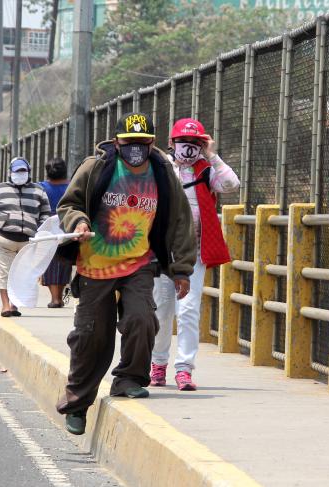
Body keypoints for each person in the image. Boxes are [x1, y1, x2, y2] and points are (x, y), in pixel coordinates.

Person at [55, 112, 197, 436]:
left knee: (142, 319)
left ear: (152, 144)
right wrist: (78, 222)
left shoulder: (161, 172)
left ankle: (130, 378)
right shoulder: (97, 167)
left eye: (142, 144)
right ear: (117, 143)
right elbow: (69, 204)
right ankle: (77, 404)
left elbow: (180, 220)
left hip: (138, 261)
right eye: (129, 143)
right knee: (91, 336)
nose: (136, 149)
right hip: (95, 263)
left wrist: (181, 269)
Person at [150, 118, 239, 391]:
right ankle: (158, 363)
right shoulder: (162, 168)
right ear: (172, 143)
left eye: (195, 143)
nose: (188, 148)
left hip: (195, 252)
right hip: (163, 251)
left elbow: (231, 184)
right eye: (183, 142)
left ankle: (184, 369)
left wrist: (211, 154)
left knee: (188, 311)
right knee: (162, 311)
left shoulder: (205, 169)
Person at [0, 157, 51, 317]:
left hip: (29, 241)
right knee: (5, 273)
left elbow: (45, 213)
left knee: (22, 274)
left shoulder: (38, 190)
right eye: (17, 171)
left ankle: (14, 305)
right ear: (10, 173)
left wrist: (42, 231)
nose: (20, 174)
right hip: (4, 238)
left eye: (23, 171)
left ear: (29, 172)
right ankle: (5, 305)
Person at [39, 158, 72, 308]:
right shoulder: (71, 186)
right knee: (64, 262)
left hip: (47, 228)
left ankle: (55, 299)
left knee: (49, 262)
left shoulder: (41, 187)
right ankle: (60, 296)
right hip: (67, 226)